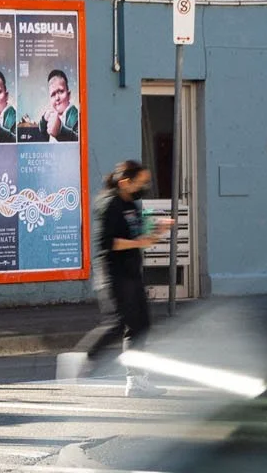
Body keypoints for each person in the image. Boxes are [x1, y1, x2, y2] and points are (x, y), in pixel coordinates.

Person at [61, 160, 172, 397]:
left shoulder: (132, 203)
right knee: (117, 323)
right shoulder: (109, 203)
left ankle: (136, 379)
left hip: (132, 272)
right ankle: (80, 359)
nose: (144, 187)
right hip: (114, 274)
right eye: (140, 182)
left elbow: (138, 234)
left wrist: (157, 231)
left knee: (141, 325)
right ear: (124, 182)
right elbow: (107, 243)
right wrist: (139, 242)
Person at [41, 70, 81, 142]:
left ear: (69, 95)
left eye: (61, 91)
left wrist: (60, 130)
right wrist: (44, 120)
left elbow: (79, 139)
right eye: (53, 94)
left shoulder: (74, 115)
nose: (57, 98)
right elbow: (41, 133)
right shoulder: (51, 115)